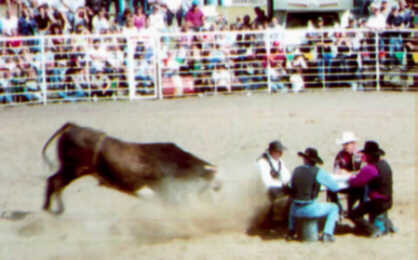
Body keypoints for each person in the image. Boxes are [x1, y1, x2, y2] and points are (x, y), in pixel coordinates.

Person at [287, 147, 339, 242]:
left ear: (305, 159)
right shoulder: (318, 172)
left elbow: (290, 186)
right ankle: (327, 233)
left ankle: (291, 231)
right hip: (310, 208)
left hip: (295, 210)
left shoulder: (296, 170)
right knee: (334, 208)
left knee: (293, 204)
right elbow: (335, 187)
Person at [347, 141, 396, 237]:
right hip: (388, 199)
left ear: (369, 155)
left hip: (378, 202)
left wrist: (350, 177)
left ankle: (372, 230)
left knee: (353, 214)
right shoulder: (385, 164)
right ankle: (388, 225)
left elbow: (356, 182)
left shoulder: (370, 169)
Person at [256, 140, 291, 228]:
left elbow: (286, 176)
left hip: (276, 188)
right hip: (263, 191)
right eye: (278, 152)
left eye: (280, 152)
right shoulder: (262, 163)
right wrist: (283, 185)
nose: (280, 154)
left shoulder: (280, 162)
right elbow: (266, 183)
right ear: (272, 152)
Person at [327, 131, 364, 216]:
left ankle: (352, 212)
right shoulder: (340, 155)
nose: (346, 146)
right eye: (345, 144)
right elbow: (336, 170)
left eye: (348, 144)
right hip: (344, 183)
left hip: (357, 184)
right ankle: (338, 210)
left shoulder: (360, 155)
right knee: (331, 189)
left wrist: (349, 173)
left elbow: (363, 171)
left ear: (354, 144)